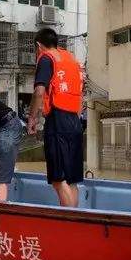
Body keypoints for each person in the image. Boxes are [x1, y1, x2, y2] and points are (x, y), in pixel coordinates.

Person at [26, 28, 84, 208]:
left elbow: (39, 92)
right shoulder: (70, 59)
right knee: (72, 180)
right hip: (75, 122)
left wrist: (32, 119)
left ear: (39, 45)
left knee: (59, 179)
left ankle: (68, 222)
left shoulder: (46, 58)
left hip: (58, 122)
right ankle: (75, 222)